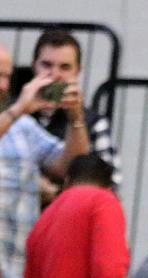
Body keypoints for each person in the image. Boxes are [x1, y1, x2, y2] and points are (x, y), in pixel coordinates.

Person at [0, 40, 89, 278]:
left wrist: (75, 118)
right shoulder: (17, 116)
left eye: (6, 75)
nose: (4, 85)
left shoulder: (23, 127)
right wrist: (18, 109)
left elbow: (72, 166)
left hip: (16, 276)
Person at [30, 29, 121, 193]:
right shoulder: (14, 113)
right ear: (34, 65)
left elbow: (110, 185)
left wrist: (76, 119)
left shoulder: (93, 123)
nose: (54, 74)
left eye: (65, 67)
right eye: (47, 65)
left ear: (77, 71)